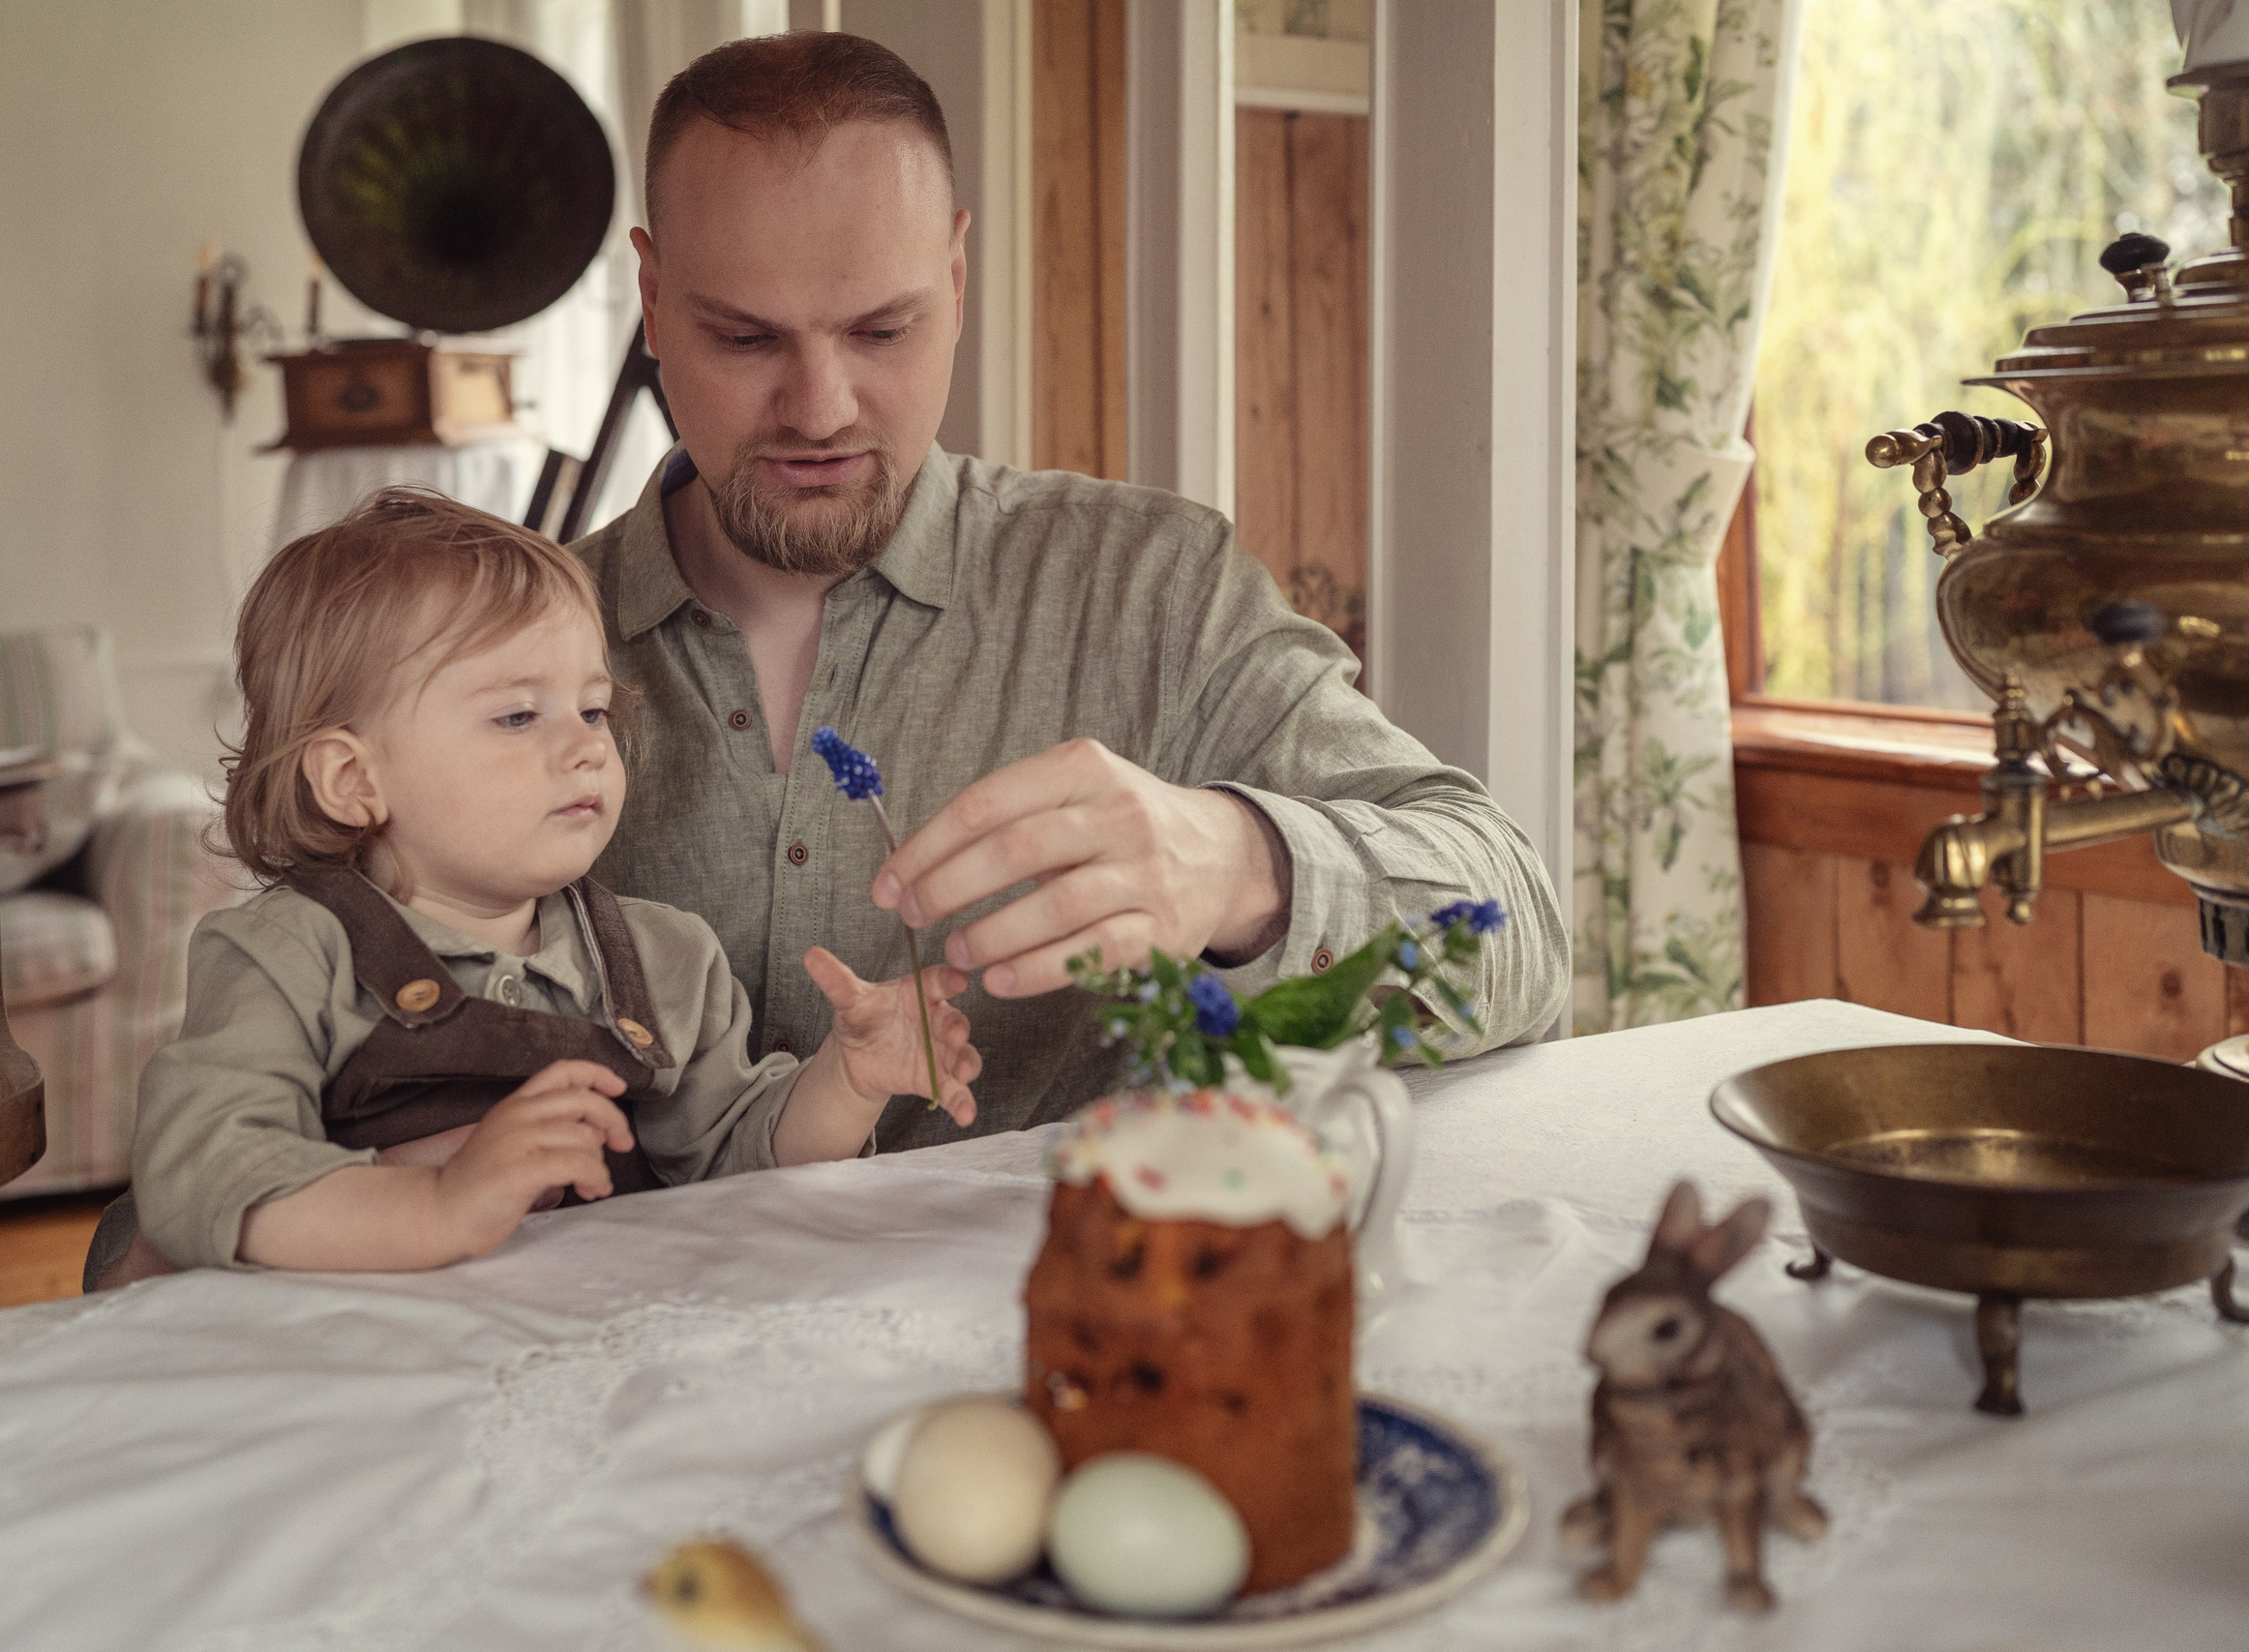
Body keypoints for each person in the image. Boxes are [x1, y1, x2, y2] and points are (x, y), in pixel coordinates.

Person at [576, 31, 1570, 1156]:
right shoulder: (488, 643)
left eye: (881, 330)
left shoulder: (1153, 589)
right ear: (653, 300)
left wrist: (1240, 866)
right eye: (746, 337)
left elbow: (1518, 937)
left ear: (955, 281)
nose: (818, 408)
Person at [88, 491, 977, 1284]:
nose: (589, 744)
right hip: (371, 1381)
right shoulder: (289, 953)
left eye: (593, 708)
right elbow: (200, 1175)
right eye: (518, 715)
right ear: (354, 779)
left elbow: (738, 1161)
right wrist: (437, 1203)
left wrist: (846, 1079)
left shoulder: (663, 958)